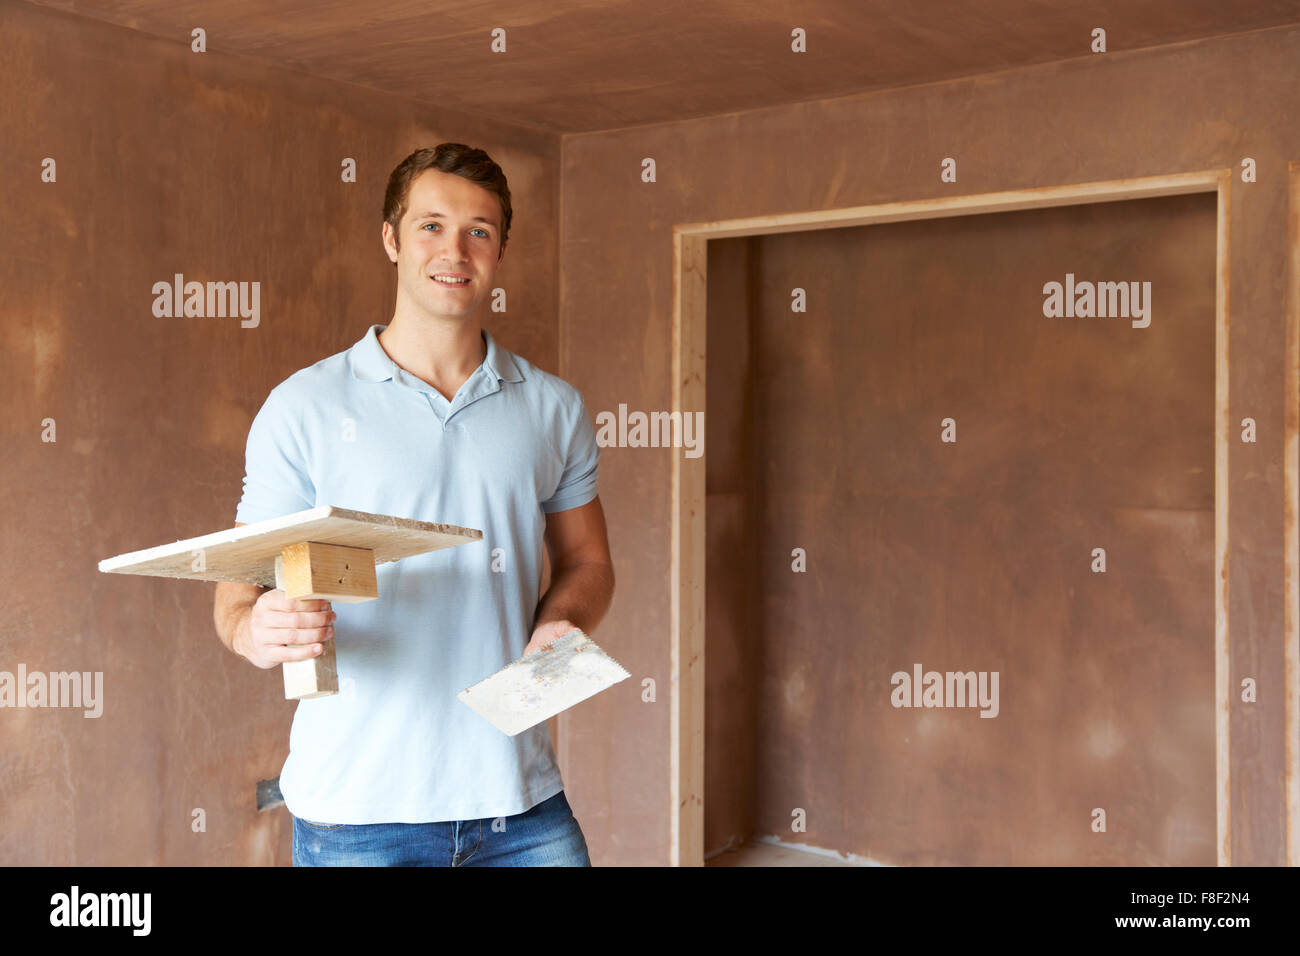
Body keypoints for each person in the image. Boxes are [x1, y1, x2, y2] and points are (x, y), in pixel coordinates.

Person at [212, 143, 615, 866]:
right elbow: (236, 595)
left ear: (500, 249)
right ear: (392, 238)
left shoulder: (554, 408)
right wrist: (255, 631)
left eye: (478, 230)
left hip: (518, 802)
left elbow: (588, 561)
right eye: (430, 225)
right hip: (357, 813)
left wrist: (563, 621)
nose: (454, 249)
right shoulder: (303, 406)